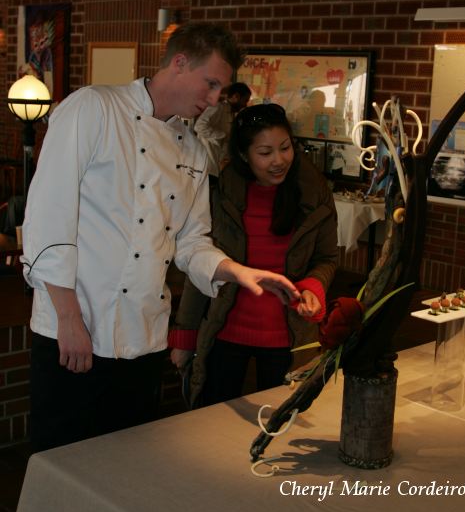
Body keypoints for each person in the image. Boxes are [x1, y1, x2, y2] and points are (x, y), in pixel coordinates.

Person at [21, 23, 300, 452]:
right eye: (210, 84)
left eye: (221, 91)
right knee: (62, 465)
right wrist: (68, 318)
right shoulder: (94, 108)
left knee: (127, 467)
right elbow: (48, 216)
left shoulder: (191, 147)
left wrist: (238, 271)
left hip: (143, 339)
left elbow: (191, 242)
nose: (212, 100)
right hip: (75, 328)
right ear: (179, 62)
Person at [169, 103, 338, 408]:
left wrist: (313, 286)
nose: (279, 161)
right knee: (213, 426)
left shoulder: (314, 193)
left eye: (285, 148)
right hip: (225, 331)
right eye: (265, 153)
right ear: (245, 156)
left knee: (284, 427)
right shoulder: (221, 193)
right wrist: (185, 335)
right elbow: (202, 264)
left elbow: (326, 258)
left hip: (290, 338)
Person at [193, 81, 251, 178]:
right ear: (236, 96)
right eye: (245, 100)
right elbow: (199, 126)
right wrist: (223, 135)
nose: (245, 105)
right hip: (208, 166)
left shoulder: (230, 112)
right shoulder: (218, 107)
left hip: (217, 165)